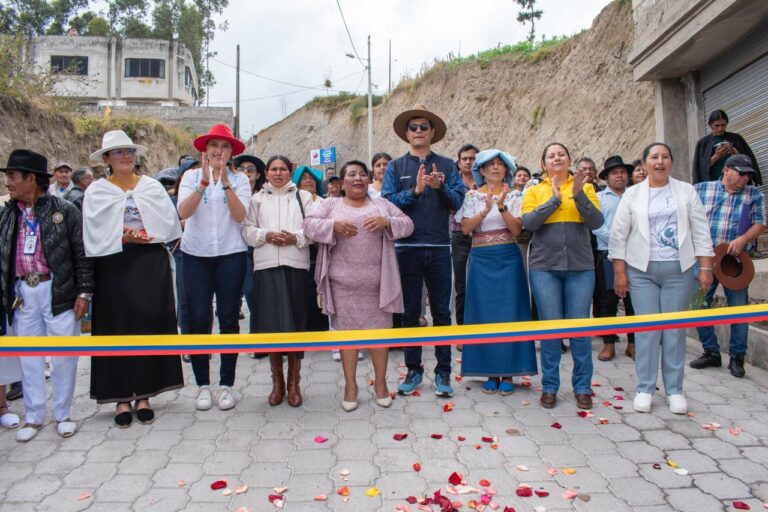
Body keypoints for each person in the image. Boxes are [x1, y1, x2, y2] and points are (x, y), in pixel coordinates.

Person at [84, 130, 184, 427]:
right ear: (106, 159)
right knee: (117, 327)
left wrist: (148, 236)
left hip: (149, 263)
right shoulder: (97, 191)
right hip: (114, 264)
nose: (126, 156)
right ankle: (120, 397)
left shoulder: (151, 187)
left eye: (129, 151)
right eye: (118, 152)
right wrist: (122, 237)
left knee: (149, 324)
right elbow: (92, 232)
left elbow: (169, 224)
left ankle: (145, 394)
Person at [610, 142, 714, 415]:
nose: (659, 162)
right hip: (641, 271)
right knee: (647, 331)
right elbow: (618, 236)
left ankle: (675, 390)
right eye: (654, 157)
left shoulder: (686, 191)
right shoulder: (632, 195)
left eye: (664, 157)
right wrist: (620, 272)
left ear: (671, 162)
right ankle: (645, 388)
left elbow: (701, 231)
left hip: (678, 272)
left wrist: (705, 268)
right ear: (644, 164)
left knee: (674, 331)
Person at [304, 160, 413, 411]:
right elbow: (308, 225)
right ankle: (350, 386)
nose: (358, 178)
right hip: (342, 285)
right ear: (341, 183)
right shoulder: (331, 204)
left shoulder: (381, 204)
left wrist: (387, 222)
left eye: (363, 174)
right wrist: (333, 225)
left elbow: (407, 224)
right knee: (348, 337)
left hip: (378, 286)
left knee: (380, 336)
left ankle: (381, 384)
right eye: (351, 174)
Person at [0, 149, 93, 441]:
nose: (8, 183)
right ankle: (34, 416)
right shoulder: (7, 214)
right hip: (23, 293)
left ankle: (63, 414)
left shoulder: (64, 211)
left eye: (13, 177)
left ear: (32, 179)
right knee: (29, 356)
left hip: (59, 290)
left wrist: (84, 293)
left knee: (65, 355)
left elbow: (82, 254)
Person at [382, 104, 464, 398]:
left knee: (442, 312)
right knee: (410, 313)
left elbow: (457, 202)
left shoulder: (447, 165)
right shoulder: (394, 167)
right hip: (406, 248)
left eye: (423, 127)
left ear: (432, 133)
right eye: (413, 127)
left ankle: (443, 372)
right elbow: (388, 204)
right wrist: (415, 191)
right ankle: (414, 369)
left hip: (441, 247)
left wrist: (440, 187)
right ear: (406, 134)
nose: (418, 131)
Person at [521, 143, 603, 410]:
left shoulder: (586, 187)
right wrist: (554, 199)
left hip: (580, 267)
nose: (557, 158)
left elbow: (596, 222)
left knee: (580, 329)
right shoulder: (534, 190)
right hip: (544, 268)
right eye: (551, 155)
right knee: (550, 330)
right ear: (543, 163)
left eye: (561, 154)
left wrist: (578, 195)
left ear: (569, 160)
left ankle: (582, 387)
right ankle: (550, 386)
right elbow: (529, 223)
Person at [177, 124, 250, 411]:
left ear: (231, 152)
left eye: (225, 147)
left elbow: (241, 215)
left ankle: (227, 385)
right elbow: (183, 212)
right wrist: (204, 184)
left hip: (231, 254)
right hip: (195, 255)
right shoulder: (191, 176)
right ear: (204, 150)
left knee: (230, 319)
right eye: (214, 146)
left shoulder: (240, 179)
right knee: (198, 319)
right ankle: (203, 385)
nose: (219, 152)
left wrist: (226, 183)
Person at [456, 150, 538, 393]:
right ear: (480, 171)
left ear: (507, 170)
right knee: (484, 315)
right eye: (489, 165)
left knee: (511, 314)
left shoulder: (514, 195)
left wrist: (502, 206)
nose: (494, 168)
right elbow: (465, 229)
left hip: (509, 259)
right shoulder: (472, 196)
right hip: (481, 258)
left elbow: (516, 229)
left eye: (499, 165)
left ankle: (509, 373)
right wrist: (485, 209)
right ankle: (490, 371)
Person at [243, 155, 314, 407]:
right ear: (267, 172)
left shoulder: (304, 197)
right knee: (272, 328)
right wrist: (266, 235)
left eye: (282, 168)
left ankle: (295, 382)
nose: (277, 173)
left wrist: (295, 238)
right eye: (273, 169)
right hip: (266, 268)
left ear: (290, 171)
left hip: (295, 266)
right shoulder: (257, 199)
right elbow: (247, 230)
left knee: (295, 326)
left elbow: (313, 228)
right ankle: (277, 382)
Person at [691, 154, 765, 378]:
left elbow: (760, 223)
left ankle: (737, 357)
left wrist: (743, 239)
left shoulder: (754, 194)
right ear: (726, 170)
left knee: (738, 310)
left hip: (735, 261)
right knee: (696, 304)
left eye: (748, 175)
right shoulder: (701, 190)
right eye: (741, 173)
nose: (744, 178)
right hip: (705, 259)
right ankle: (711, 351)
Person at [592, 156, 636, 361]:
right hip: (607, 254)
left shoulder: (636, 196)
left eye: (622, 172)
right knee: (607, 301)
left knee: (632, 301)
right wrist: (618, 240)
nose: (619, 176)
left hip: (634, 256)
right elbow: (596, 225)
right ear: (607, 178)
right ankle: (608, 344)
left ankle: (632, 344)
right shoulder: (599, 198)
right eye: (614, 173)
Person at [234, 154, 265, 345]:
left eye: (251, 169)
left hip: (261, 247)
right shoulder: (232, 192)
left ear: (258, 174)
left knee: (261, 295)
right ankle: (257, 340)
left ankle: (261, 340)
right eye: (242, 169)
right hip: (239, 250)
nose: (246, 173)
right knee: (251, 293)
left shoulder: (264, 195)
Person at [692, 109, 761, 185]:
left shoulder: (736, 139)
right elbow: (699, 168)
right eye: (717, 125)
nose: (720, 128)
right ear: (710, 125)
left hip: (737, 184)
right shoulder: (703, 143)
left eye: (723, 125)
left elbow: (748, 161)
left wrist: (735, 154)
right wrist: (717, 156)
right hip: (714, 186)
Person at [450, 144, 478, 327]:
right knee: (461, 286)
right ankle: (461, 329)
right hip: (459, 236)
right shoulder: (452, 183)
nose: (468, 162)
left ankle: (480, 327)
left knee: (481, 284)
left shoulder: (485, 182)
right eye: (465, 159)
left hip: (482, 237)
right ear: (458, 163)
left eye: (472, 158)